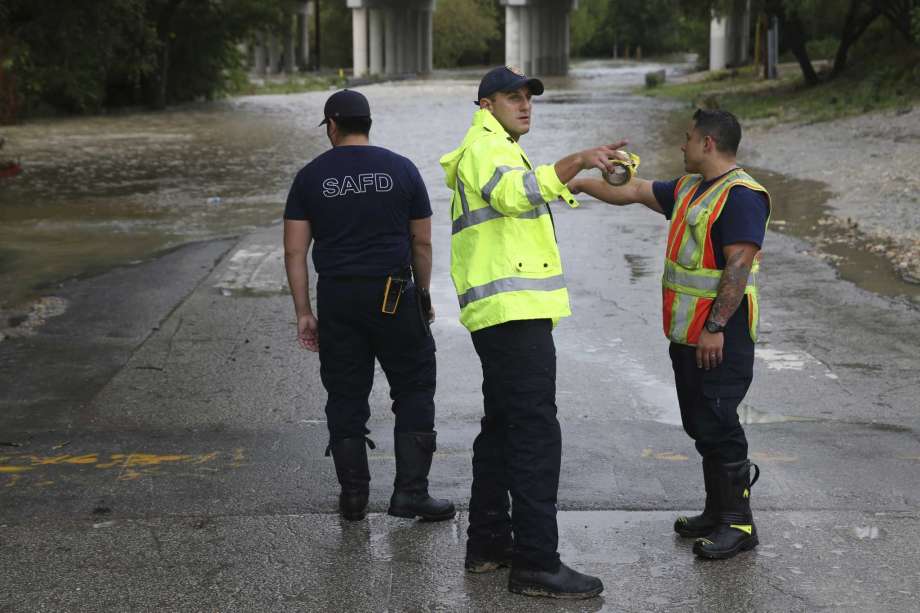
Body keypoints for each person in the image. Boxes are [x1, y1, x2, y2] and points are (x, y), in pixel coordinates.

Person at [440, 65, 628, 599]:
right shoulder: (485, 148)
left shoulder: (497, 145)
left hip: (506, 312)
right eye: (511, 98)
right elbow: (516, 195)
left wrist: (582, 179)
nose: (524, 105)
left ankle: (489, 544)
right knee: (536, 433)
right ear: (485, 106)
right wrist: (575, 161)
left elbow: (520, 203)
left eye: (528, 98)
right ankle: (537, 563)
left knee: (502, 427)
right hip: (513, 312)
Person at [568, 108, 770, 560]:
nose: (682, 145)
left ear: (708, 144)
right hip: (688, 336)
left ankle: (738, 523)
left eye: (688, 138)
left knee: (720, 423)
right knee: (701, 423)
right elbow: (635, 191)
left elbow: (738, 265)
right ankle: (717, 512)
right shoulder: (690, 189)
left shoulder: (741, 196)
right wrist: (579, 183)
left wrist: (716, 327)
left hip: (720, 337)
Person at [283, 89, 454, 524]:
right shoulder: (402, 169)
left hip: (339, 297)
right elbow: (423, 241)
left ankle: (354, 498)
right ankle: (411, 494)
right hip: (393, 294)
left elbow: (294, 253)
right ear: (368, 123)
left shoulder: (309, 177)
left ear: (333, 127)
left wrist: (304, 311)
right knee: (414, 387)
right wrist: (423, 295)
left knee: (345, 394)